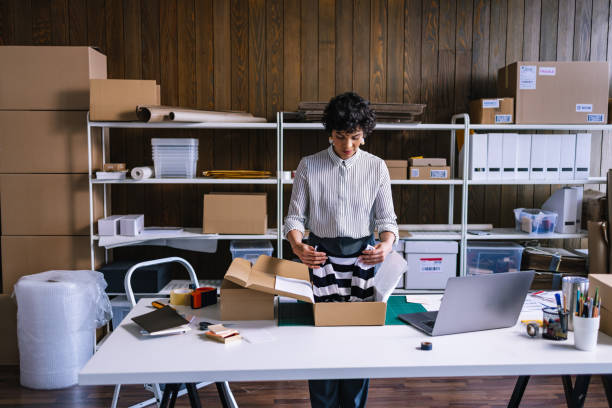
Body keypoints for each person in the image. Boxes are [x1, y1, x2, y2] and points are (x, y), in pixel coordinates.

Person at [283, 91, 399, 408]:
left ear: (364, 135)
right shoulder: (309, 166)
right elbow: (293, 217)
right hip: (320, 259)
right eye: (340, 137)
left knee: (358, 343)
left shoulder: (377, 168)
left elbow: (387, 220)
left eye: (355, 137)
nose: (347, 146)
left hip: (363, 260)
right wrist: (297, 244)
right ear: (329, 132)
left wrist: (386, 246)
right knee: (320, 341)